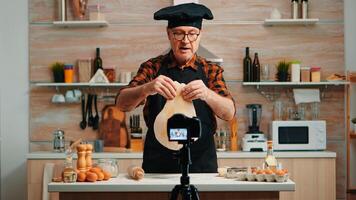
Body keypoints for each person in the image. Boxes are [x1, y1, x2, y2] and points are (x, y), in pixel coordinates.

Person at [116, 3, 235, 173]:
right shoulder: (153, 67)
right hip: (158, 166)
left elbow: (229, 113)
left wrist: (208, 94)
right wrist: (147, 88)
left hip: (201, 166)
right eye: (178, 33)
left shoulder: (210, 70)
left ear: (200, 35)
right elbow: (121, 104)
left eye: (192, 34)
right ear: (169, 34)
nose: (185, 41)